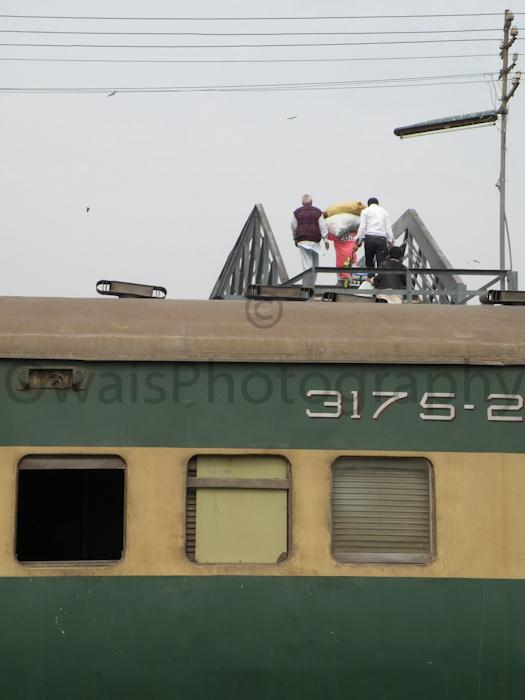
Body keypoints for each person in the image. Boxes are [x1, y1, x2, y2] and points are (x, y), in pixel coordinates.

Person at [291, 194, 329, 288]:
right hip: (315, 241)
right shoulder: (318, 212)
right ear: (311, 202)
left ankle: (307, 287)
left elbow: (293, 226)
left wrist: (295, 238)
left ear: (302, 203)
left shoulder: (297, 212)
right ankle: (311, 285)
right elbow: (323, 226)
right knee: (315, 264)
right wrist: (325, 240)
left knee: (306, 264)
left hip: (303, 241)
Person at [356, 197, 394, 268]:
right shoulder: (384, 212)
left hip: (369, 239)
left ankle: (370, 274)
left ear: (368, 204)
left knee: (369, 263)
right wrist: (390, 240)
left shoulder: (365, 211)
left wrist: (359, 239)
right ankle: (380, 274)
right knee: (381, 264)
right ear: (378, 204)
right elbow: (388, 227)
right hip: (381, 239)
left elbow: (362, 226)